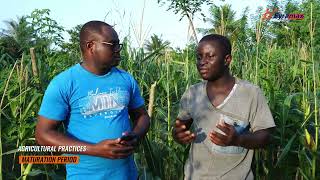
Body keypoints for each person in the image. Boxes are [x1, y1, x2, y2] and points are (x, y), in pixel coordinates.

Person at [35, 20, 150, 180]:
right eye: (112, 44)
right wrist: (94, 149)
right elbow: (42, 134)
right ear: (91, 46)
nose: (118, 50)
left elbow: (142, 116)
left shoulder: (126, 79)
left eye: (119, 45)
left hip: (127, 175)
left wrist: (135, 136)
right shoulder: (64, 83)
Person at [172, 34, 276, 180]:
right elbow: (179, 128)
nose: (202, 62)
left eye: (210, 56)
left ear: (227, 60)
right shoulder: (193, 93)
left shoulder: (250, 93)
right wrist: (178, 135)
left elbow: (266, 136)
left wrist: (238, 139)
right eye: (199, 57)